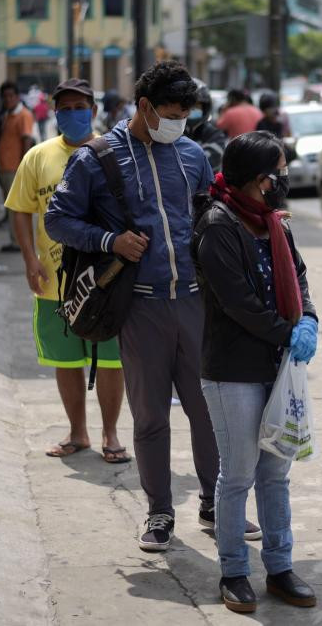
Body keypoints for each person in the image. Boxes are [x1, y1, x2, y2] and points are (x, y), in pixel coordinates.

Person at [46, 61, 239, 552]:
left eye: (186, 115)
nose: (179, 123)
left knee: (206, 411)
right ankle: (158, 512)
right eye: (172, 113)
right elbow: (57, 220)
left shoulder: (193, 155)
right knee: (150, 416)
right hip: (140, 309)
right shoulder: (96, 159)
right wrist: (109, 240)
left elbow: (206, 218)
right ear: (145, 107)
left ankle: (215, 503)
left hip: (195, 304)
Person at [193, 131, 319, 613]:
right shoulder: (217, 225)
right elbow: (239, 303)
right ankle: (234, 571)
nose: (283, 181)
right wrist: (286, 333)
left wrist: (306, 318)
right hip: (233, 371)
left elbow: (300, 277)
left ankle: (280, 567)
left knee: (276, 473)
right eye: (278, 173)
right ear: (255, 179)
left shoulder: (276, 224)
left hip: (277, 367)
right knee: (239, 474)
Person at [5, 78, 130, 463]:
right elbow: (21, 210)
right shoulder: (38, 157)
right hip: (54, 282)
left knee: (111, 359)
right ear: (55, 113)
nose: (72, 114)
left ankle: (111, 434)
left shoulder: (114, 153)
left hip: (107, 280)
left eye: (79, 108)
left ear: (93, 111)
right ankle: (78, 433)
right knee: (66, 359)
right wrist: (29, 258)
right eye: (65, 109)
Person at [0, 81, 35, 252]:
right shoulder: (7, 114)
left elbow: (27, 139)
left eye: (11, 96)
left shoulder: (23, 115)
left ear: (18, 97)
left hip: (14, 167)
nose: (8, 99)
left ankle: (17, 242)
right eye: (5, 96)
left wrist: (22, 166)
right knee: (11, 206)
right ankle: (16, 240)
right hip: (5, 166)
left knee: (15, 207)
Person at [186, 80, 227, 174]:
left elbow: (207, 163)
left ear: (205, 108)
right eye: (189, 105)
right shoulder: (172, 131)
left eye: (197, 105)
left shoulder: (214, 134)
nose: (192, 109)